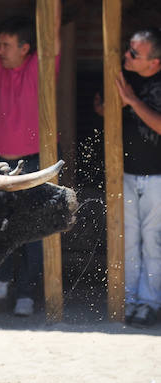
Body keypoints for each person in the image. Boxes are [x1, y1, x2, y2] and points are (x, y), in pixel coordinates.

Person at [0, 0, 61, 317]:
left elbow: (52, 29)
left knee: (32, 227)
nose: (0, 49)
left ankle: (25, 292)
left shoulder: (40, 68)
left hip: (33, 160)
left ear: (26, 48)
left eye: (7, 45)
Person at [95, 29, 161, 328]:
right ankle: (131, 300)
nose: (126, 56)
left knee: (154, 243)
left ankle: (150, 303)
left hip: (158, 177)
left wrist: (133, 101)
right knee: (127, 241)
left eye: (135, 54)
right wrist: (116, 103)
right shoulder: (122, 75)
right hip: (124, 173)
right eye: (128, 50)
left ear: (155, 62)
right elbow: (100, 109)